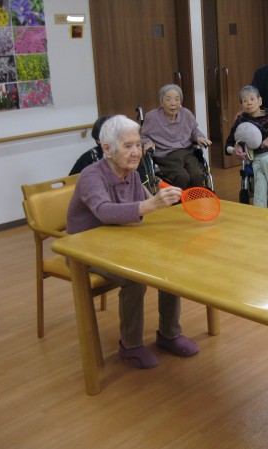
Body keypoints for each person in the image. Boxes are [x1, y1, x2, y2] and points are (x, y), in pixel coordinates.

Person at [67, 114, 200, 369]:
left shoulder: (133, 174)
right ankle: (130, 346)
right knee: (134, 277)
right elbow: (104, 211)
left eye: (138, 145)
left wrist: (161, 202)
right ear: (107, 149)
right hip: (86, 250)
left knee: (169, 263)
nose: (136, 152)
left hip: (121, 241)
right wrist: (151, 204)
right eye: (128, 146)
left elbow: (144, 211)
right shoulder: (91, 176)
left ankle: (169, 334)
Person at [225, 85, 268, 211]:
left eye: (252, 99)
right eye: (245, 101)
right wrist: (234, 150)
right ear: (241, 105)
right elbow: (228, 145)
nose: (249, 103)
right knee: (261, 168)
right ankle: (260, 209)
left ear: (260, 101)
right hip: (258, 156)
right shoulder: (241, 121)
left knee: (264, 161)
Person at [141, 84, 212, 189]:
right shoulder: (152, 117)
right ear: (161, 102)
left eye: (177, 99)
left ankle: (196, 198)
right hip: (166, 155)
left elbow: (194, 131)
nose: (173, 103)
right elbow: (144, 137)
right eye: (168, 99)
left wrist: (199, 137)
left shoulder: (186, 114)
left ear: (180, 102)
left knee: (197, 175)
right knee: (182, 177)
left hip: (187, 152)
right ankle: (180, 199)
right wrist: (148, 143)